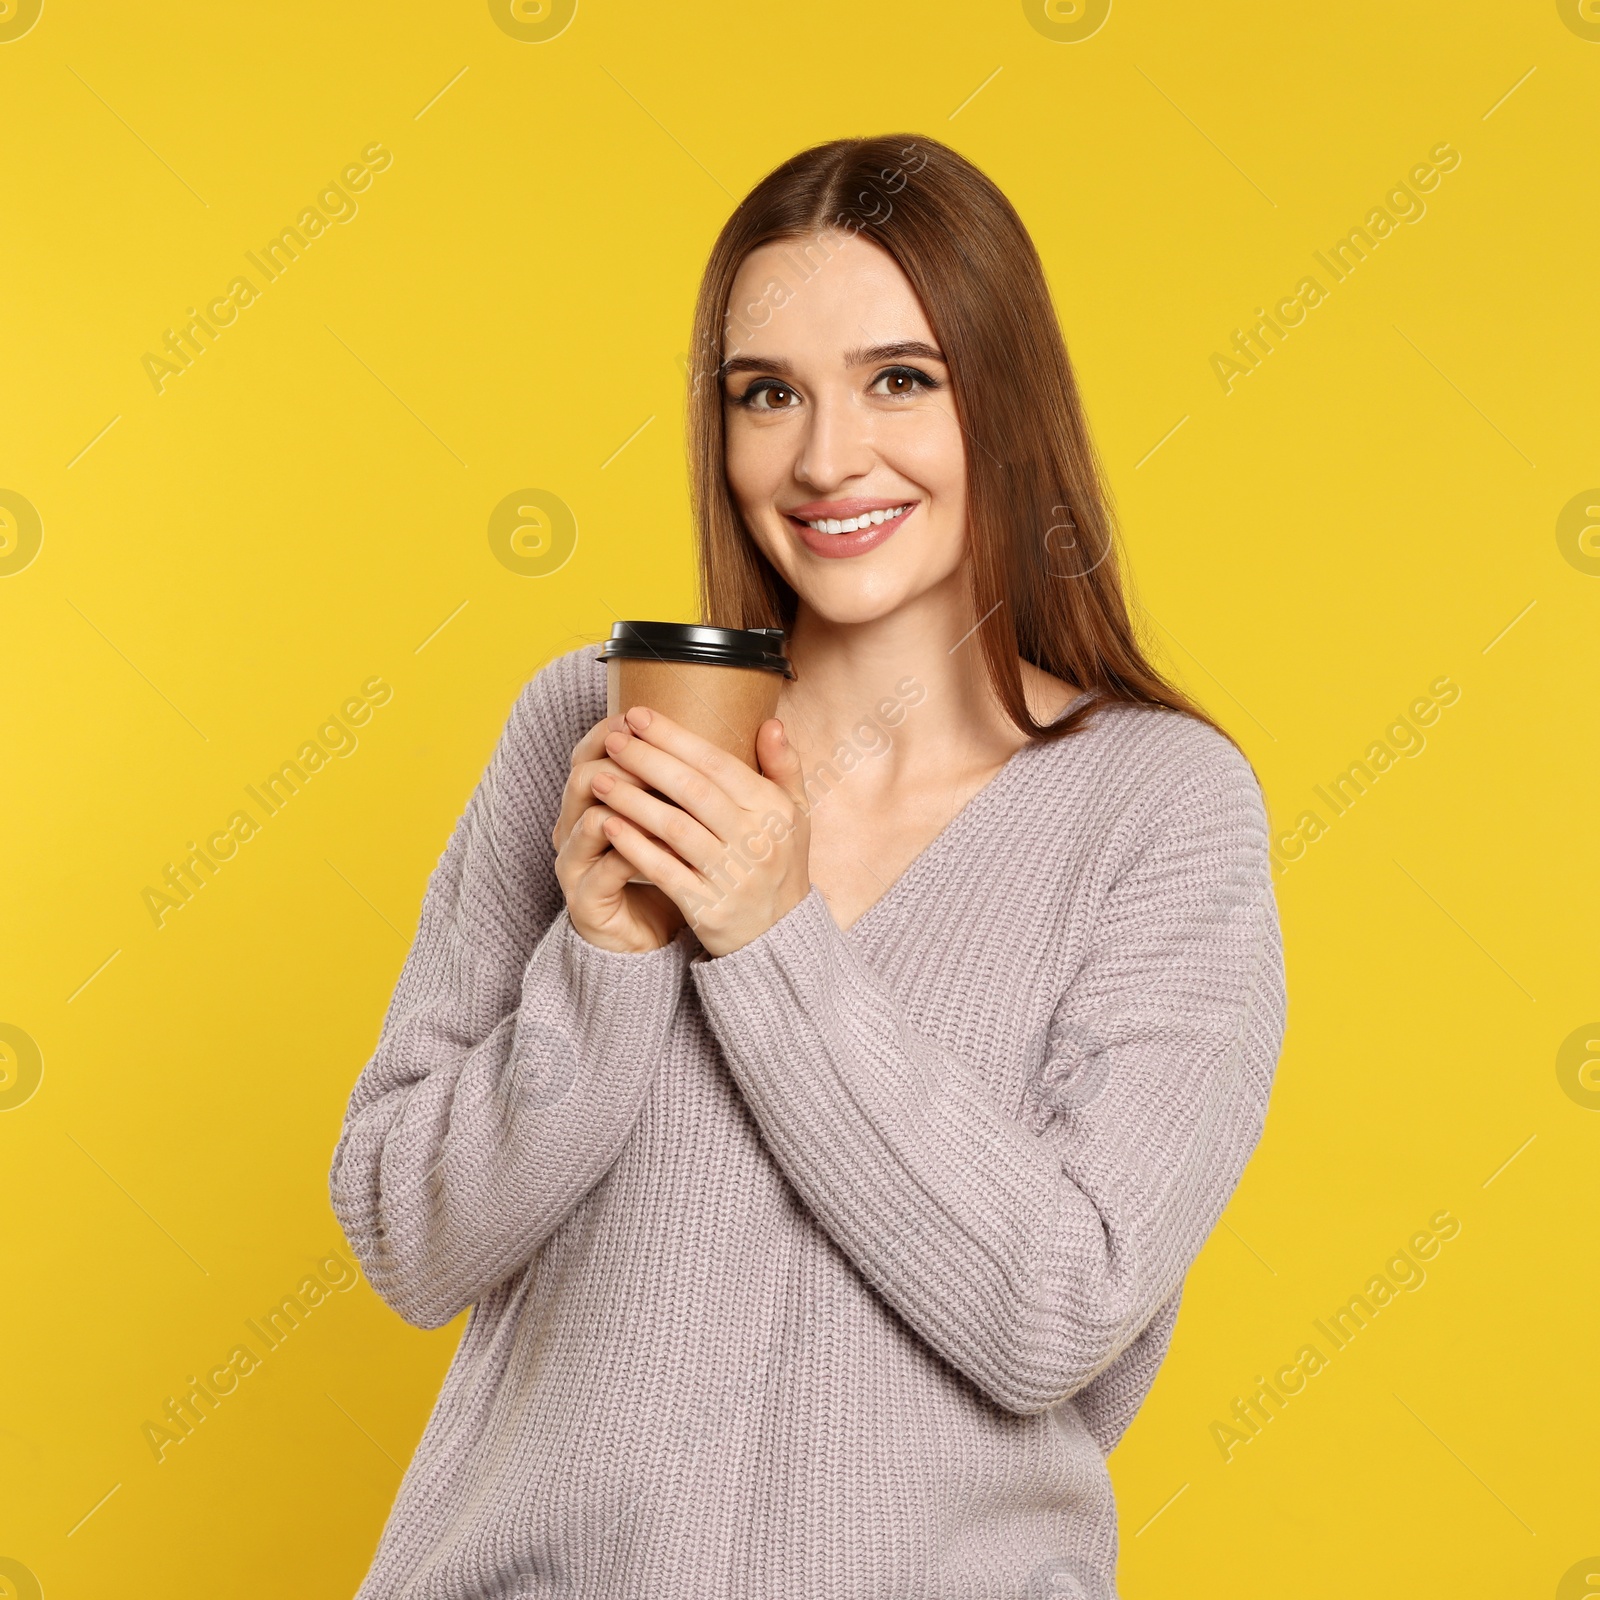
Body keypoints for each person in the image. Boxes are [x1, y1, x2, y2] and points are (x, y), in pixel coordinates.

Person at [329, 133, 1287, 1600]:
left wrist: (774, 942)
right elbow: (411, 1238)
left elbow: (1055, 1311)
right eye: (768, 394)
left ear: (1006, 402)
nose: (826, 457)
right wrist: (602, 959)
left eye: (902, 379)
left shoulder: (1160, 808)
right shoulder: (587, 731)